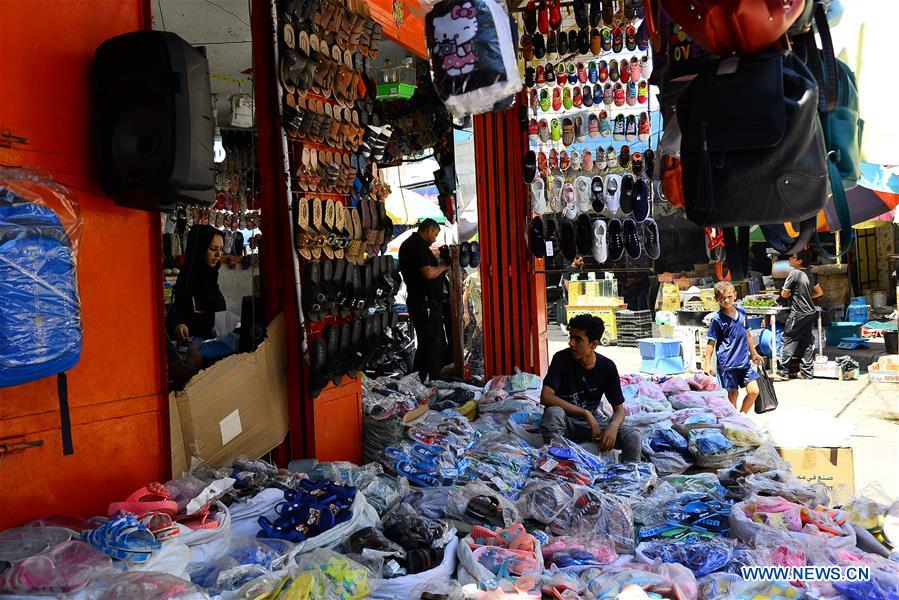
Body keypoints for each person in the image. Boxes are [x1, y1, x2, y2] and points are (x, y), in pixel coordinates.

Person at [540, 314, 643, 461]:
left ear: (593, 344)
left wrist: (612, 427)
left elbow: (619, 409)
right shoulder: (561, 359)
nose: (571, 343)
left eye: (578, 339)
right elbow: (546, 396)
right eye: (571, 337)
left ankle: (629, 478)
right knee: (553, 413)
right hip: (565, 422)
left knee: (633, 436)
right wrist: (585, 413)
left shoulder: (607, 367)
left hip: (592, 426)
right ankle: (557, 464)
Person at [399, 219, 450, 381]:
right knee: (432, 342)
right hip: (424, 301)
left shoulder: (413, 245)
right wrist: (443, 266)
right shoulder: (417, 246)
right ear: (428, 230)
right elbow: (428, 273)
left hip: (421, 300)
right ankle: (434, 378)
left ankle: (418, 378)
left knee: (425, 342)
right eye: (435, 234)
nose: (435, 239)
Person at [703, 281, 764, 413]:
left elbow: (747, 334)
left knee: (754, 391)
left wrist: (754, 353)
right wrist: (707, 363)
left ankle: (741, 417)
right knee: (733, 395)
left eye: (729, 296)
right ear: (716, 299)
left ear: (735, 295)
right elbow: (711, 342)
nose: (726, 300)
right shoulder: (717, 319)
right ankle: (734, 421)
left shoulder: (742, 313)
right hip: (727, 364)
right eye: (722, 298)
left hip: (743, 362)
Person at [167, 224, 226, 343]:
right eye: (213, 249)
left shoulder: (212, 280)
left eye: (221, 249)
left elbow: (221, 318)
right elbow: (174, 314)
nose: (218, 255)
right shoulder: (186, 282)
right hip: (191, 351)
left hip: (214, 349)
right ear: (200, 249)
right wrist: (179, 325)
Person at [773, 248, 824, 381]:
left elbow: (784, 294)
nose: (790, 259)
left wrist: (791, 296)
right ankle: (807, 372)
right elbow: (819, 292)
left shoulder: (794, 273)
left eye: (792, 257)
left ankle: (783, 372)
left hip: (798, 312)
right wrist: (805, 296)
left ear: (799, 261)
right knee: (806, 341)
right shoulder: (810, 274)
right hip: (810, 311)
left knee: (788, 339)